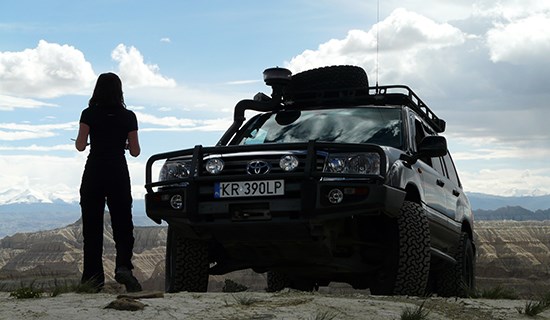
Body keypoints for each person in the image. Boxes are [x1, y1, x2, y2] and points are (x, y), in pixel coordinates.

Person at [75, 72, 142, 293]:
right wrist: (121, 143)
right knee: (123, 223)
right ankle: (123, 266)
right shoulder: (128, 116)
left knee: (92, 227)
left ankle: (93, 279)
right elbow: (135, 151)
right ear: (119, 91)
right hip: (117, 172)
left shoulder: (88, 113)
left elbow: (80, 145)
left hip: (94, 171)